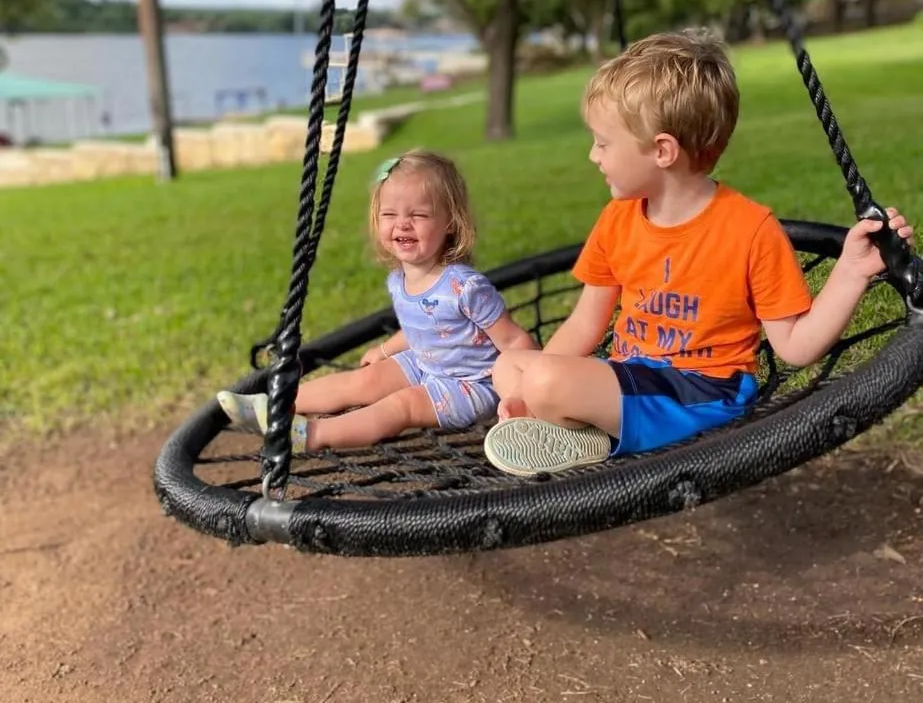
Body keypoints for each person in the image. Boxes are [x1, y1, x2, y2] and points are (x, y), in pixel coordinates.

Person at [482, 31, 914, 477]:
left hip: (702, 393)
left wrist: (851, 271)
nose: (593, 155)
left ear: (662, 151)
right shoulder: (618, 218)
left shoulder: (750, 230)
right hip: (634, 377)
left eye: (603, 143)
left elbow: (796, 346)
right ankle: (582, 428)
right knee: (511, 366)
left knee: (543, 380)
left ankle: (582, 425)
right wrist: (532, 387)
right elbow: (584, 324)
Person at [218, 149, 536, 452]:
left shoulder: (465, 287)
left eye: (419, 214)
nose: (402, 224)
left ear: (450, 222)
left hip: (472, 384)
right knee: (366, 380)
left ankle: (311, 435)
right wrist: (385, 350)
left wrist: (526, 394)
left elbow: (515, 340)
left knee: (402, 406)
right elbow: (424, 328)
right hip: (426, 364)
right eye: (389, 214)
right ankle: (276, 404)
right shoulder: (399, 279)